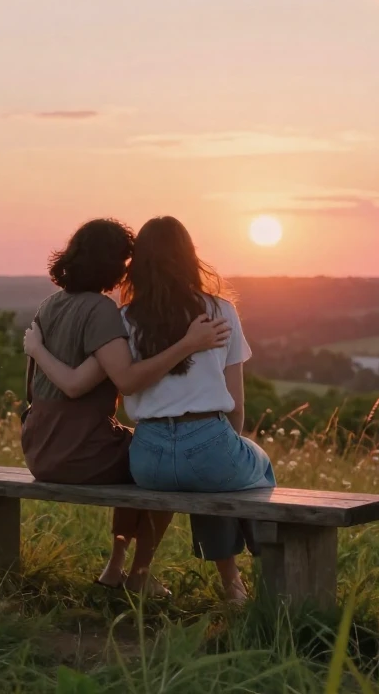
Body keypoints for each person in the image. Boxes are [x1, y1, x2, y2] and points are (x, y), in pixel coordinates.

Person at [25, 216, 274, 604]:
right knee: (247, 472)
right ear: (189, 257)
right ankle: (243, 584)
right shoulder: (220, 312)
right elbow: (236, 404)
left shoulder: (125, 318)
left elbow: (98, 379)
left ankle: (138, 571)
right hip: (207, 440)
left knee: (182, 479)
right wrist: (226, 442)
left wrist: (38, 350)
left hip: (149, 452)